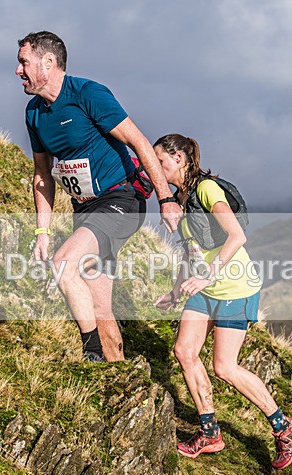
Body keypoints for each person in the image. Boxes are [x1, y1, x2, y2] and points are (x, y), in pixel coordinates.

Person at [16, 31, 182, 363]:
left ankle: (89, 350)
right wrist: (42, 231)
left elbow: (139, 142)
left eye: (24, 62)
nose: (18, 71)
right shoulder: (34, 112)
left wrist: (166, 199)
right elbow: (41, 176)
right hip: (85, 209)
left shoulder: (89, 94)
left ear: (48, 62)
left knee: (64, 264)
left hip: (121, 201)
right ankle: (116, 372)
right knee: (98, 305)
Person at [152, 133, 292, 470]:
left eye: (160, 161)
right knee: (184, 351)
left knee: (225, 367)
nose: (155, 169)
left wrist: (209, 275)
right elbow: (191, 252)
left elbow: (237, 235)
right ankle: (210, 433)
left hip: (235, 288)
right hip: (206, 290)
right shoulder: (181, 199)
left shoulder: (206, 189)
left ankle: (283, 426)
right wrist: (177, 291)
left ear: (179, 158)